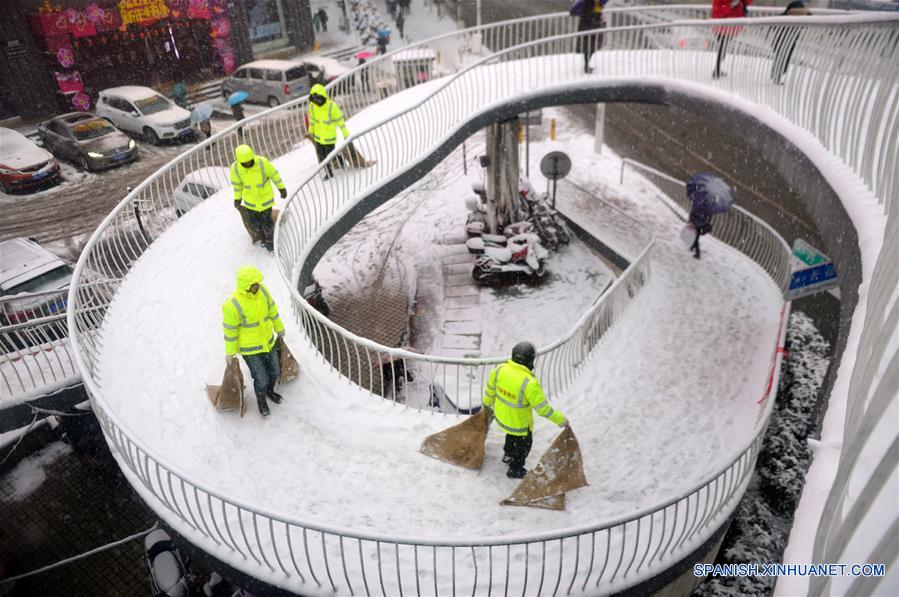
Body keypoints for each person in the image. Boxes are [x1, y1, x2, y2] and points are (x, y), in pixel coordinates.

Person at [482, 341, 569, 479]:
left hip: (502, 417)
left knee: (511, 435)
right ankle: (515, 469)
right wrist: (560, 420)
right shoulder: (529, 382)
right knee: (523, 445)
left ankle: (508, 455)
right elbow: (543, 409)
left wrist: (485, 406)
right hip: (519, 423)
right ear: (530, 360)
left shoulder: (499, 370)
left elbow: (489, 391)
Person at [222, 266, 285, 417]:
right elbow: (230, 331)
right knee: (261, 377)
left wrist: (279, 328)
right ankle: (261, 399)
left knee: (275, 371)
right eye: (254, 284)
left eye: (258, 283)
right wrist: (230, 353)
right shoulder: (232, 305)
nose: (258, 286)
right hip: (250, 349)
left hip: (267, 341)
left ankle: (270, 390)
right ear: (246, 286)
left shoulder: (262, 291)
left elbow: (272, 311)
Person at [230, 144, 287, 252]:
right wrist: (237, 198)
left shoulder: (262, 162)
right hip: (250, 202)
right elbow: (237, 185)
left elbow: (274, 175)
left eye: (249, 161)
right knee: (255, 224)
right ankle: (263, 240)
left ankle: (271, 246)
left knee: (267, 224)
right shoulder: (235, 169)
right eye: (244, 163)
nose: (247, 164)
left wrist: (281, 188)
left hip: (265, 200)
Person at [307, 84, 349, 180]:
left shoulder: (331, 107)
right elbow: (312, 120)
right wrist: (311, 131)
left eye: (318, 99)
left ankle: (340, 159)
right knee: (322, 157)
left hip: (329, 137)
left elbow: (340, 121)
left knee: (331, 155)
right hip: (318, 136)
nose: (316, 101)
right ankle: (329, 173)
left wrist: (345, 133)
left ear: (323, 97)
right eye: (314, 99)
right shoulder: (312, 106)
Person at [771, 1, 809, 84]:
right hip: (780, 42)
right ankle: (776, 77)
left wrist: (805, 13)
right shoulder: (784, 17)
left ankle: (776, 75)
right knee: (781, 60)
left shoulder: (799, 19)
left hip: (791, 43)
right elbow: (773, 25)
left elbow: (809, 19)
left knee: (785, 61)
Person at [712, 0, 752, 79]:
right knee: (722, 50)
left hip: (730, 28)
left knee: (723, 50)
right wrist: (730, 5)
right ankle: (716, 71)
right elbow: (718, 13)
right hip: (722, 27)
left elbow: (748, 2)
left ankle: (717, 70)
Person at [572, 0, 606, 74]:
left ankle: (587, 65)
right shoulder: (588, 2)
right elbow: (591, 13)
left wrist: (599, 13)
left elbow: (597, 11)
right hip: (589, 26)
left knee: (591, 47)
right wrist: (597, 13)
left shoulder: (597, 2)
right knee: (589, 47)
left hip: (591, 26)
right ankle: (586, 66)